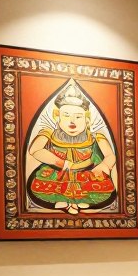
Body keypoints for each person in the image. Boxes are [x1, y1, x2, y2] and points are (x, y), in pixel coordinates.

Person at [25, 79, 118, 215]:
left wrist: (104, 165)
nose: (72, 122)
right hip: (57, 173)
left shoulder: (95, 136)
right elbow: (34, 150)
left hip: (87, 174)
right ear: (58, 118)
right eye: (66, 116)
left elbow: (110, 155)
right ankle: (65, 203)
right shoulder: (49, 133)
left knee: (100, 188)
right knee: (42, 187)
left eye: (78, 117)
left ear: (87, 120)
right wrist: (62, 163)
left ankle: (76, 203)